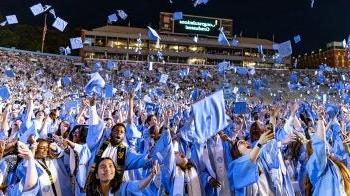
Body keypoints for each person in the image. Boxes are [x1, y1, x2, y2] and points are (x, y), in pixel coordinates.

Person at [85, 157, 159, 196]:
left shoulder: (122, 188)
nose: (107, 169)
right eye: (102, 167)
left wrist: (150, 176)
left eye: (110, 166)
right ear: (97, 175)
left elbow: (137, 186)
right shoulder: (92, 192)